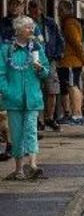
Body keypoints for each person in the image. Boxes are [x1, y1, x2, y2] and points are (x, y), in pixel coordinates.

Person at [0, 16, 49, 180]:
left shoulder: (37, 48)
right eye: (28, 27)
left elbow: (46, 71)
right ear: (19, 30)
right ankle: (19, 169)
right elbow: (1, 74)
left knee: (31, 131)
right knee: (16, 134)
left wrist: (40, 68)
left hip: (32, 97)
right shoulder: (6, 49)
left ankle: (33, 165)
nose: (31, 30)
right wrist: (7, 91)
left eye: (32, 27)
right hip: (13, 99)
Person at [27, 0, 63, 132]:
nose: (35, 11)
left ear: (41, 8)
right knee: (36, 90)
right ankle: (38, 120)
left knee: (52, 89)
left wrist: (58, 54)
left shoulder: (50, 22)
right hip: (32, 60)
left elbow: (59, 38)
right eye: (32, 8)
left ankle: (49, 117)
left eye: (37, 7)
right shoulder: (27, 23)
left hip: (49, 57)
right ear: (29, 9)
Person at [56, 0, 84, 126]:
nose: (58, 13)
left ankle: (77, 115)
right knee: (72, 85)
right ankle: (75, 114)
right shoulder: (70, 22)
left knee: (72, 86)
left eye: (60, 10)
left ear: (65, 10)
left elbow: (76, 43)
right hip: (71, 61)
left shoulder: (69, 23)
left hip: (71, 61)